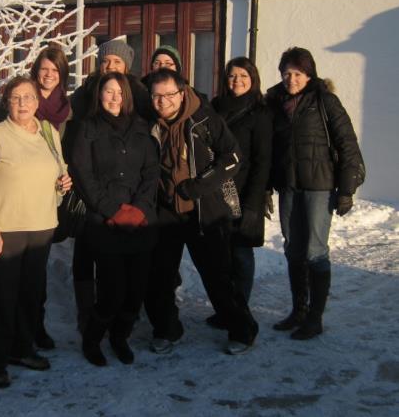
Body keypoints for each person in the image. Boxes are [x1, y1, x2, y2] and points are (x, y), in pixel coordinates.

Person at [145, 68, 259, 355]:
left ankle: (243, 329)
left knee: (217, 276)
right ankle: (167, 329)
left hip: (203, 210)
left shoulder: (203, 118)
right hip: (165, 210)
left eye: (169, 95)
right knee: (159, 276)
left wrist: (198, 187)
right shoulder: (149, 124)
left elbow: (233, 157)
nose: (163, 102)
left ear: (182, 93)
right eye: (156, 96)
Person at [0, 77, 72, 389]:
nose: (24, 103)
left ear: (37, 101)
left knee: (30, 295)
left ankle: (23, 349)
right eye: (16, 98)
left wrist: (60, 187)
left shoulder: (48, 132)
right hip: (5, 231)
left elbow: (58, 174)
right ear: (7, 102)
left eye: (28, 97)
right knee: (1, 299)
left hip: (41, 227)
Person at [267, 47, 364, 340]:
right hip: (289, 186)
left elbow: (347, 143)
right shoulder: (275, 103)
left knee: (315, 251)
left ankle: (315, 317)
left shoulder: (325, 101)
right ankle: (299, 310)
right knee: (293, 248)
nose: (291, 79)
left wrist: (346, 189)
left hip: (319, 186)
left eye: (297, 73)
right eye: (286, 73)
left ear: (309, 74)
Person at [70, 72, 159, 367]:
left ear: (128, 96)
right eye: (109, 91)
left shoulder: (141, 128)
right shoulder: (88, 128)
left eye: (120, 92)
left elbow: (151, 173)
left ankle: (120, 337)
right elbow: (83, 174)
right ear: (99, 94)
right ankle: (92, 339)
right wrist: (113, 210)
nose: (114, 97)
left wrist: (140, 209)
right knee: (112, 292)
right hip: (105, 223)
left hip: (140, 223)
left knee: (135, 292)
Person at [65, 37, 151, 334]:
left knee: (123, 264)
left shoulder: (137, 95)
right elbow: (68, 133)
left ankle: (119, 316)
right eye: (105, 61)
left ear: (126, 67)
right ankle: (87, 315)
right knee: (85, 254)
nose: (109, 65)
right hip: (87, 185)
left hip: (126, 185)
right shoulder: (82, 95)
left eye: (116, 62)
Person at [0, 45, 72, 349]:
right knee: (14, 276)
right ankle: (13, 336)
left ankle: (35, 327)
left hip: (45, 197)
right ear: (36, 70)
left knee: (35, 273)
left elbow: (65, 151)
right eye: (44, 68)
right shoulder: (19, 99)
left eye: (55, 70)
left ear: (62, 74)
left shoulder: (66, 108)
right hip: (13, 201)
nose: (49, 75)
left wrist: (64, 177)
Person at [208, 57, 272, 325]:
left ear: (253, 79)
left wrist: (253, 204)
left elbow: (262, 161)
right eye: (233, 76)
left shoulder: (260, 113)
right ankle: (226, 309)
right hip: (218, 191)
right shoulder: (216, 108)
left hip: (246, 192)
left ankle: (239, 309)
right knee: (221, 257)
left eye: (243, 76)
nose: (237, 81)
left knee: (242, 254)